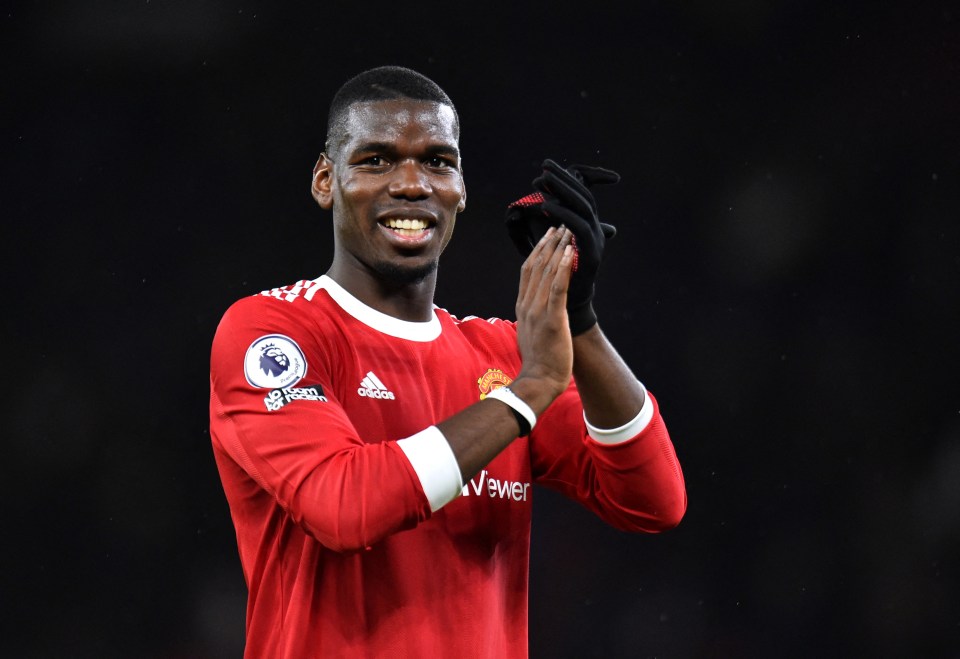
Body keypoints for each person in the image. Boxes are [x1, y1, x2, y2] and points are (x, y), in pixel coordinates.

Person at [209, 64, 686, 658]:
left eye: (438, 161)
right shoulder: (275, 331)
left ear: (462, 187)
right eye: (376, 160)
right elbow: (342, 508)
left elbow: (651, 499)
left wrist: (580, 317)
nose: (413, 184)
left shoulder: (500, 354)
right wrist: (528, 390)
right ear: (325, 181)